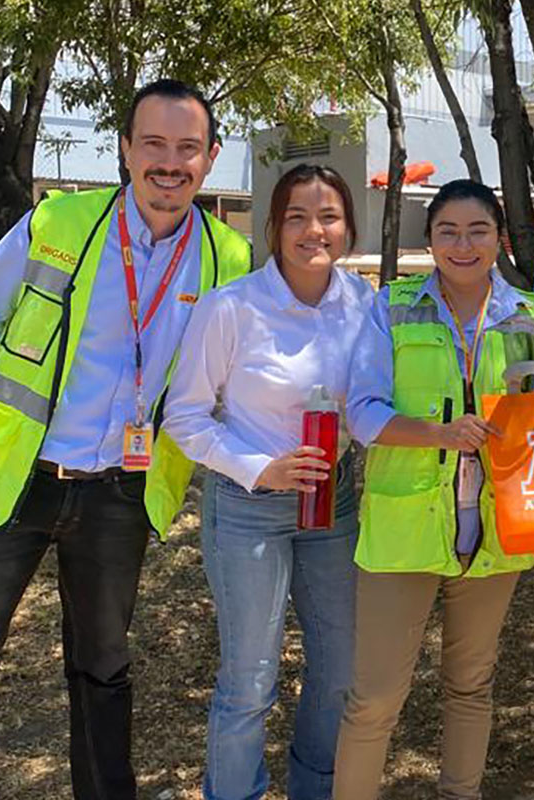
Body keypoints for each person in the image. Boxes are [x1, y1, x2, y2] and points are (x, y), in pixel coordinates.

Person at [0, 79, 250, 798]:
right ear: (124, 150)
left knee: (103, 670)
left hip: (119, 495)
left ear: (211, 158)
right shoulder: (59, 223)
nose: (169, 163)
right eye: (152, 144)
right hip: (12, 478)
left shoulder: (228, 258)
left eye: (187, 148)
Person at [335, 179, 534, 799]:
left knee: (470, 685)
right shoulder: (393, 308)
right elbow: (365, 415)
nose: (463, 245)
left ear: (499, 238)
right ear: (428, 239)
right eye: (447, 232)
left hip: (492, 533)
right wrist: (440, 433)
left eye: (477, 230)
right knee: (374, 697)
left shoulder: (527, 317)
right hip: (403, 531)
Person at [161, 164, 368, 800]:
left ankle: (317, 787)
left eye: (328, 216)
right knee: (250, 678)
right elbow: (184, 416)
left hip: (334, 507)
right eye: (297, 217)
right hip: (250, 509)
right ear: (274, 227)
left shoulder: (365, 304)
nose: (314, 230)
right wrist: (261, 468)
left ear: (348, 227)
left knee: (338, 670)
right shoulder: (233, 308)